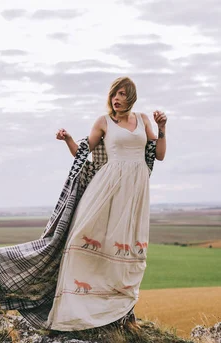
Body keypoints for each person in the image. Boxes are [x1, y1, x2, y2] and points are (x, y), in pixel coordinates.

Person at [47, 76, 166, 330]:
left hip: (136, 189)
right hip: (108, 185)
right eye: (114, 94)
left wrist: (162, 128)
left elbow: (160, 154)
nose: (117, 98)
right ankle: (80, 305)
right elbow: (83, 152)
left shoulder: (143, 119)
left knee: (128, 243)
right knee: (88, 236)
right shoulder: (103, 122)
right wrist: (68, 138)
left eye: (122, 94)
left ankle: (121, 309)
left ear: (131, 96)